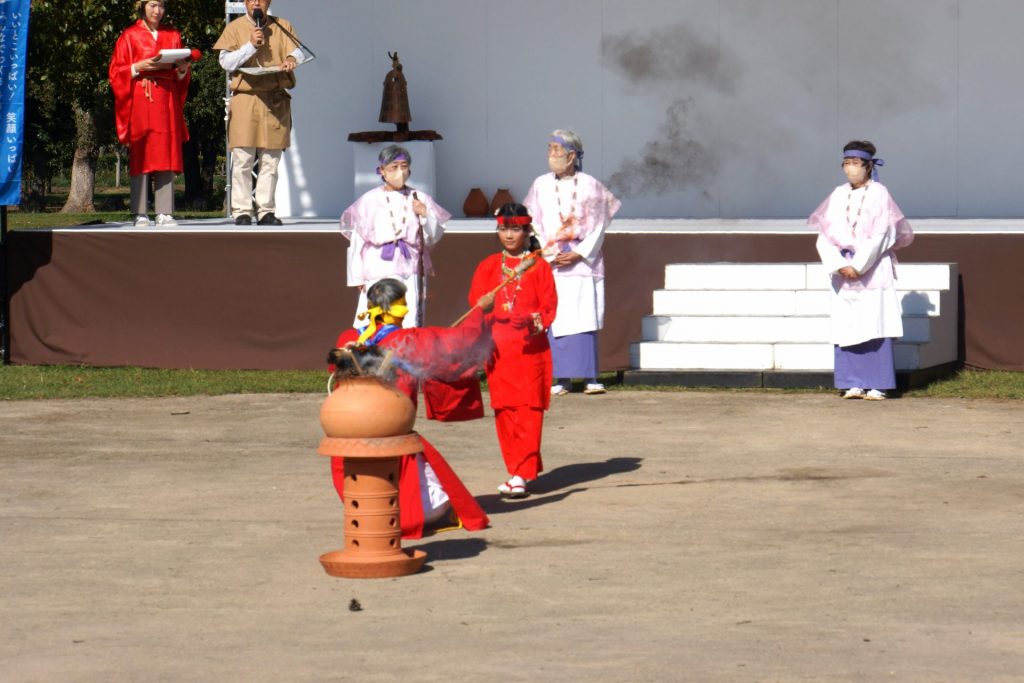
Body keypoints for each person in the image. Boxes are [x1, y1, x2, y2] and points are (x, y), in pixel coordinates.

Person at [329, 278, 492, 539]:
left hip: (351, 434)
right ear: (400, 308)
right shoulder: (410, 340)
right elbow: (460, 343)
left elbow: (333, 367)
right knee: (434, 503)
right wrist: (479, 311)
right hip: (393, 432)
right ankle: (410, 515)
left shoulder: (349, 340)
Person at [809, 140, 914, 400]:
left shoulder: (880, 194)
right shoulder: (837, 194)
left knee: (875, 322)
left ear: (868, 166)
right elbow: (824, 234)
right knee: (848, 324)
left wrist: (859, 264)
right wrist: (840, 264)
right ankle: (852, 382)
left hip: (873, 268)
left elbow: (883, 233)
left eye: (856, 163)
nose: (850, 168)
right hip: (843, 271)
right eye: (846, 163)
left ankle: (878, 383)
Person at [469, 203, 557, 498]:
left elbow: (549, 308)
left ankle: (521, 474)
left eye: (515, 229)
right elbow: (475, 305)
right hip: (499, 352)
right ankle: (517, 469)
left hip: (530, 353)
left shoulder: (539, 266)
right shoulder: (488, 266)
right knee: (505, 413)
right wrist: (483, 307)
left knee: (528, 412)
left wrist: (533, 321)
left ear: (526, 231)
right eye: (504, 229)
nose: (509, 235)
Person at [524, 128, 621, 396]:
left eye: (556, 149)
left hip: (583, 262)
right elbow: (532, 223)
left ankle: (590, 377)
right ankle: (561, 379)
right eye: (549, 149)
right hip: (553, 262)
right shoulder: (541, 184)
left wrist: (579, 253)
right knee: (556, 316)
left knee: (584, 316)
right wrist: (551, 253)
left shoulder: (590, 184)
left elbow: (601, 224)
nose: (551, 154)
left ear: (572, 156)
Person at [214, 0, 303, 226]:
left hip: (275, 98)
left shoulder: (282, 25)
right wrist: (250, 46)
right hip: (246, 97)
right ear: (245, 2)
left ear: (268, 3)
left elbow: (299, 52)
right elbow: (225, 62)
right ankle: (242, 210)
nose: (256, 3)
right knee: (243, 158)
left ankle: (266, 210)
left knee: (270, 160)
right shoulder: (234, 28)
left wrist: (292, 59)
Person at [340, 145, 450, 328]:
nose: (400, 171)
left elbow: (433, 235)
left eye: (404, 166)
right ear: (382, 171)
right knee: (378, 313)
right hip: (378, 264)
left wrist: (424, 215)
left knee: (410, 313)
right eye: (394, 167)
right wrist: (357, 277)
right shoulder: (369, 200)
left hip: (411, 263)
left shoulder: (419, 197)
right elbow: (357, 241)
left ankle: (407, 351)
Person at [109, 0, 192, 228]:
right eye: (153, 5)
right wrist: (138, 66)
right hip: (141, 95)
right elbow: (116, 72)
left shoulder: (173, 34)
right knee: (142, 151)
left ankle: (165, 211)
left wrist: (183, 69)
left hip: (166, 97)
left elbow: (180, 74)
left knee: (166, 151)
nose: (158, 11)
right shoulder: (130, 35)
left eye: (162, 6)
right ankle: (140, 212)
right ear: (143, 6)